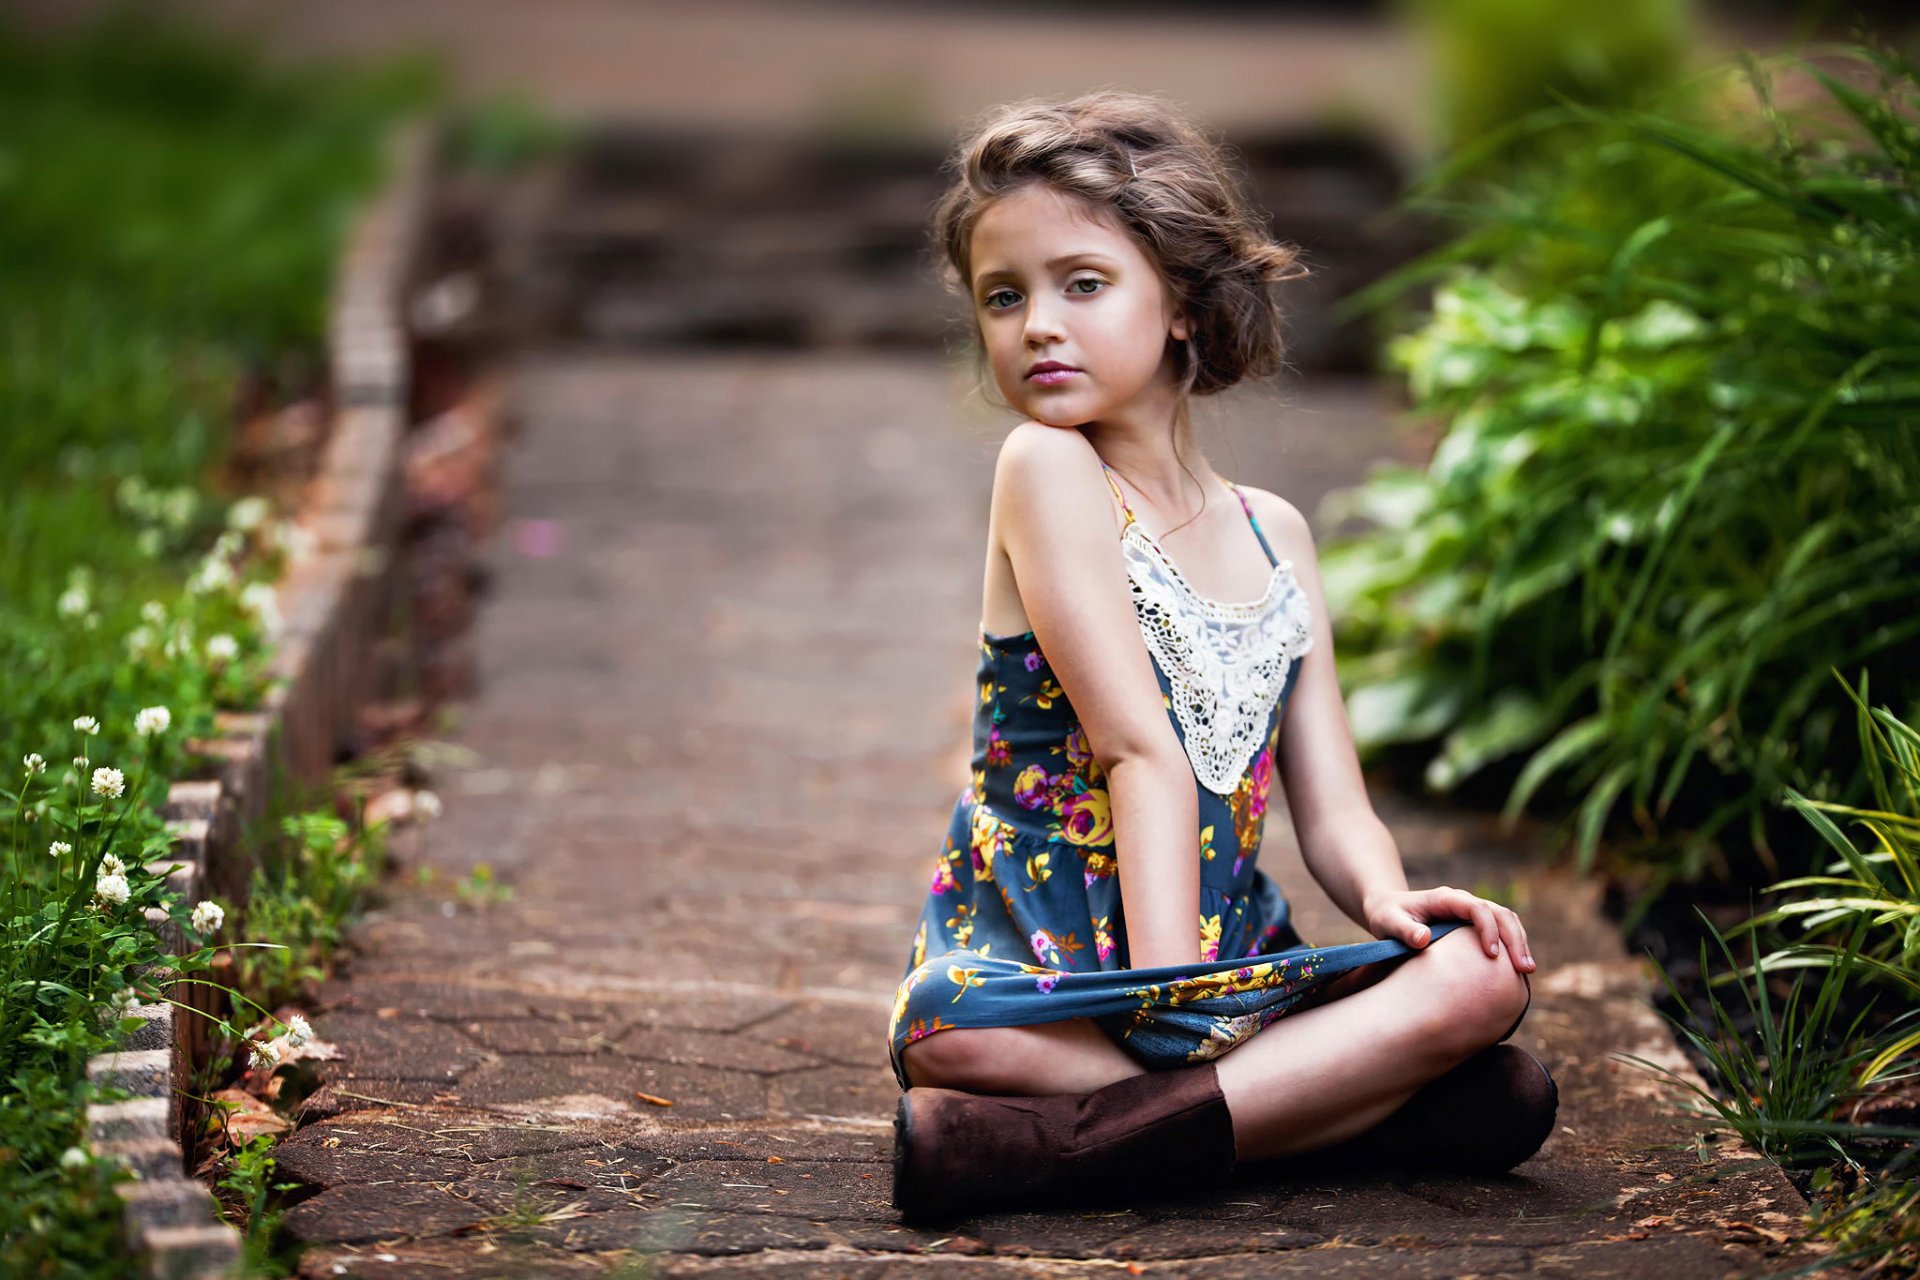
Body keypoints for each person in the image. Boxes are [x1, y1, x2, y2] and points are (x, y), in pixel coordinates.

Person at [885, 90, 1557, 1226]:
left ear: (1185, 305)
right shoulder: (1047, 468)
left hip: (1234, 969)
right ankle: (1316, 1106)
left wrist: (1392, 899)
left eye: (1082, 283)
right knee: (964, 1046)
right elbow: (1135, 745)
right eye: (1005, 297)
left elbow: (1332, 807)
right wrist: (1172, 1004)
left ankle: (1077, 1144)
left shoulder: (1273, 532)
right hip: (1048, 977)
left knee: (1485, 976)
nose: (1038, 323)